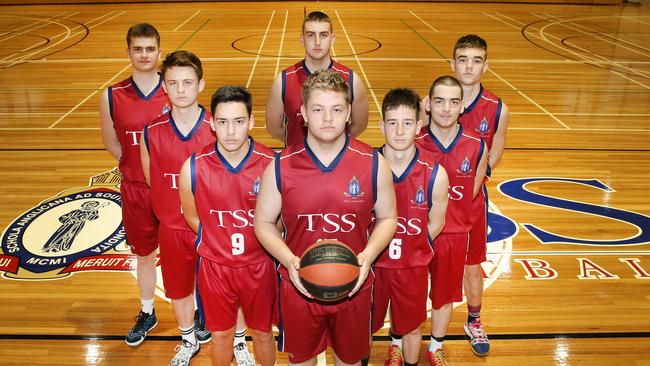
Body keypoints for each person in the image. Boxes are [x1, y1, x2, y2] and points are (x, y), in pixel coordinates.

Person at [254, 70, 396, 365]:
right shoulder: (280, 166)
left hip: (354, 286)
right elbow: (263, 223)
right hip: (299, 285)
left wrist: (368, 255)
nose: (327, 118)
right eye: (318, 109)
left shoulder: (373, 163)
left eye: (336, 109)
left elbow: (388, 218)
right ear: (303, 113)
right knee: (301, 361)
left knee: (350, 361)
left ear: (348, 114)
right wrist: (288, 260)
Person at [178, 85, 277, 366]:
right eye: (222, 122)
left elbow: (279, 221)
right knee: (221, 336)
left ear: (251, 121)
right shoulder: (194, 167)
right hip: (216, 269)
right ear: (212, 124)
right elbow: (192, 217)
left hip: (259, 266)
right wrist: (219, 240)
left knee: (263, 334)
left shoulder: (271, 164)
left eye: (238, 121)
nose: (230, 131)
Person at [140, 50, 215, 365]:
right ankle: (187, 340)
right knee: (179, 289)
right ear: (164, 88)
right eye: (173, 83)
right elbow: (150, 178)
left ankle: (235, 341)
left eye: (188, 82)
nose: (181, 89)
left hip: (212, 228)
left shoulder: (216, 127)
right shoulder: (152, 131)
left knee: (221, 289)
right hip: (172, 228)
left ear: (200, 85)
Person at [99, 23, 169, 347]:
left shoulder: (175, 90)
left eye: (150, 48)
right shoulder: (112, 96)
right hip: (136, 190)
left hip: (172, 189)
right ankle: (147, 311)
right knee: (144, 255)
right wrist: (136, 168)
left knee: (184, 254)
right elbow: (113, 144)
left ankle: (199, 312)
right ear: (128, 51)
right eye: (137, 49)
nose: (144, 55)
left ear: (159, 51)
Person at [373, 88, 449, 366]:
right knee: (362, 327)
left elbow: (436, 223)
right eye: (392, 123)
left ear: (419, 126)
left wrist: (412, 245)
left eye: (407, 123)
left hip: (412, 267)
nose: (400, 131)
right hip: (373, 266)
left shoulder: (435, 174)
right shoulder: (366, 167)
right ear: (381, 125)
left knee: (413, 327)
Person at [415, 76, 487, 366]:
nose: (446, 109)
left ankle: (435, 346)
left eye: (453, 102)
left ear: (462, 106)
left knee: (444, 296)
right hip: (418, 233)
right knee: (411, 294)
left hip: (454, 233)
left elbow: (471, 191)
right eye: (439, 101)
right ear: (429, 105)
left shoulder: (476, 145)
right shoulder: (414, 142)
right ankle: (399, 342)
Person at [451, 34, 509, 357]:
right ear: (452, 63)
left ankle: (474, 320)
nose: (469, 66)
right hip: (433, 199)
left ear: (486, 65)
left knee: (472, 264)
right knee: (421, 265)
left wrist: (466, 185)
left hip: (471, 199)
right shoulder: (438, 98)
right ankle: (412, 325)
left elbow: (494, 158)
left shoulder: (498, 108)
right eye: (463, 59)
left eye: (476, 60)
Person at [265, 11, 368, 146]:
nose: (317, 42)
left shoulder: (352, 80)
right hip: (296, 163)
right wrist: (298, 142)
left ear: (333, 38)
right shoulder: (282, 81)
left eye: (323, 35)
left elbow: (358, 126)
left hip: (338, 164)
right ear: (302, 39)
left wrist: (331, 141)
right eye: (311, 35)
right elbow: (274, 129)